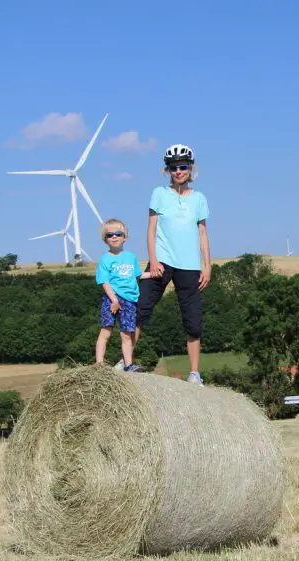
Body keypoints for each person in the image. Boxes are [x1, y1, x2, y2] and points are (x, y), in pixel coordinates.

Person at [135, 144, 212, 385]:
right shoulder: (159, 193)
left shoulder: (199, 198)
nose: (178, 171)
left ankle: (195, 373)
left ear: (191, 168)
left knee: (193, 319)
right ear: (167, 171)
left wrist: (207, 265)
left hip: (189, 265)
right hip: (162, 261)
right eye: (173, 168)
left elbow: (202, 233)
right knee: (140, 308)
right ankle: (125, 362)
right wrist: (154, 260)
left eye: (183, 166)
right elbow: (151, 228)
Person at [95, 218, 150, 372]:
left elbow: (137, 275)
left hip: (130, 300)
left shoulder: (131, 257)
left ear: (125, 237)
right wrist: (113, 300)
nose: (114, 237)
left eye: (118, 234)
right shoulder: (105, 259)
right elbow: (104, 281)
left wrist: (153, 274)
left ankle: (128, 365)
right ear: (104, 240)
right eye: (109, 234)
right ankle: (99, 366)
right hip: (112, 298)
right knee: (106, 330)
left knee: (126, 333)